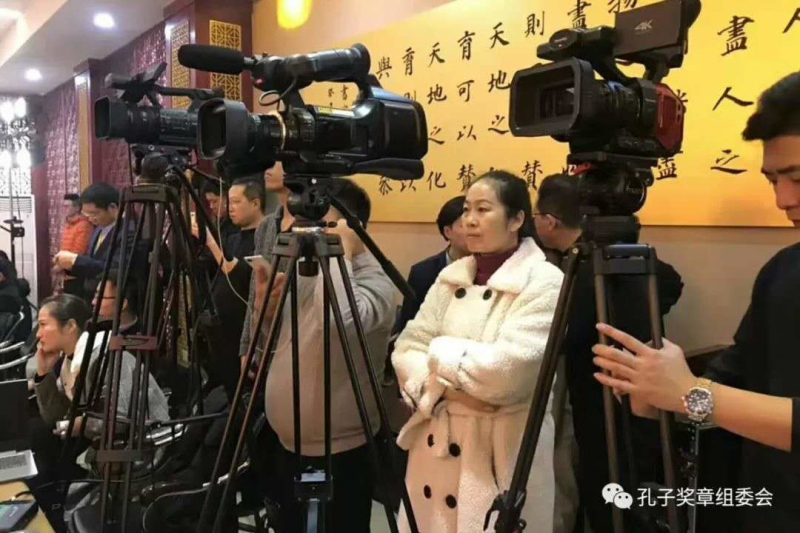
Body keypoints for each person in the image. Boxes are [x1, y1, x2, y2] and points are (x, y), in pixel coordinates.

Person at [592, 71, 800, 532]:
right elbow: (734, 379)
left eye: (797, 178)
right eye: (772, 180)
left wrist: (689, 395)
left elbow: (708, 397)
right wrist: (656, 392)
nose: (783, 199)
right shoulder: (783, 270)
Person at [392, 170, 563, 533]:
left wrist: (437, 355)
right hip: (434, 451)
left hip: (499, 453)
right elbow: (406, 347)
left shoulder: (544, 281)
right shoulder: (452, 276)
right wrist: (447, 392)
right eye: (467, 209)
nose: (469, 220)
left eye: (483, 210)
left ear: (516, 219)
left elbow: (506, 373)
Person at [533, 173, 684, 532]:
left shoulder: (584, 269)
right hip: (632, 397)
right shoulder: (619, 256)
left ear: (550, 221)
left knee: (609, 488)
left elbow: (565, 336)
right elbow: (671, 282)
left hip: (604, 401)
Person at [251, 178, 392, 532]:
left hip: (342, 453)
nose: (308, 237)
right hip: (287, 445)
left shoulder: (376, 282)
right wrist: (263, 314)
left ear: (351, 227)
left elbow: (337, 322)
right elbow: (276, 344)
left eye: (321, 226)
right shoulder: (306, 272)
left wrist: (340, 249)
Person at [194, 177, 266, 399]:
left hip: (243, 330)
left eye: (236, 202)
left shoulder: (264, 237)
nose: (230, 208)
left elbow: (239, 273)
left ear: (255, 203)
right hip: (220, 330)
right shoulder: (232, 237)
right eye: (229, 202)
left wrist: (210, 241)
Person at [395, 195, 469, 336]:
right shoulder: (423, 273)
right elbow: (409, 327)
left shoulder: (491, 269)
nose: (473, 231)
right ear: (448, 231)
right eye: (465, 225)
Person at [53, 183, 124, 302]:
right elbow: (93, 259)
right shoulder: (99, 228)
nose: (90, 218)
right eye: (87, 214)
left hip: (110, 298)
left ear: (113, 208)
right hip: (90, 293)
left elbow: (115, 269)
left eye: (94, 213)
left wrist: (75, 260)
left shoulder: (127, 231)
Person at [57, 193, 94, 297]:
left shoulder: (84, 225)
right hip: (66, 270)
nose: (64, 209)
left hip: (77, 271)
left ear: (77, 208)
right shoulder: (68, 224)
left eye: (67, 206)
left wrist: (59, 266)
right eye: (63, 206)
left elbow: (79, 251)